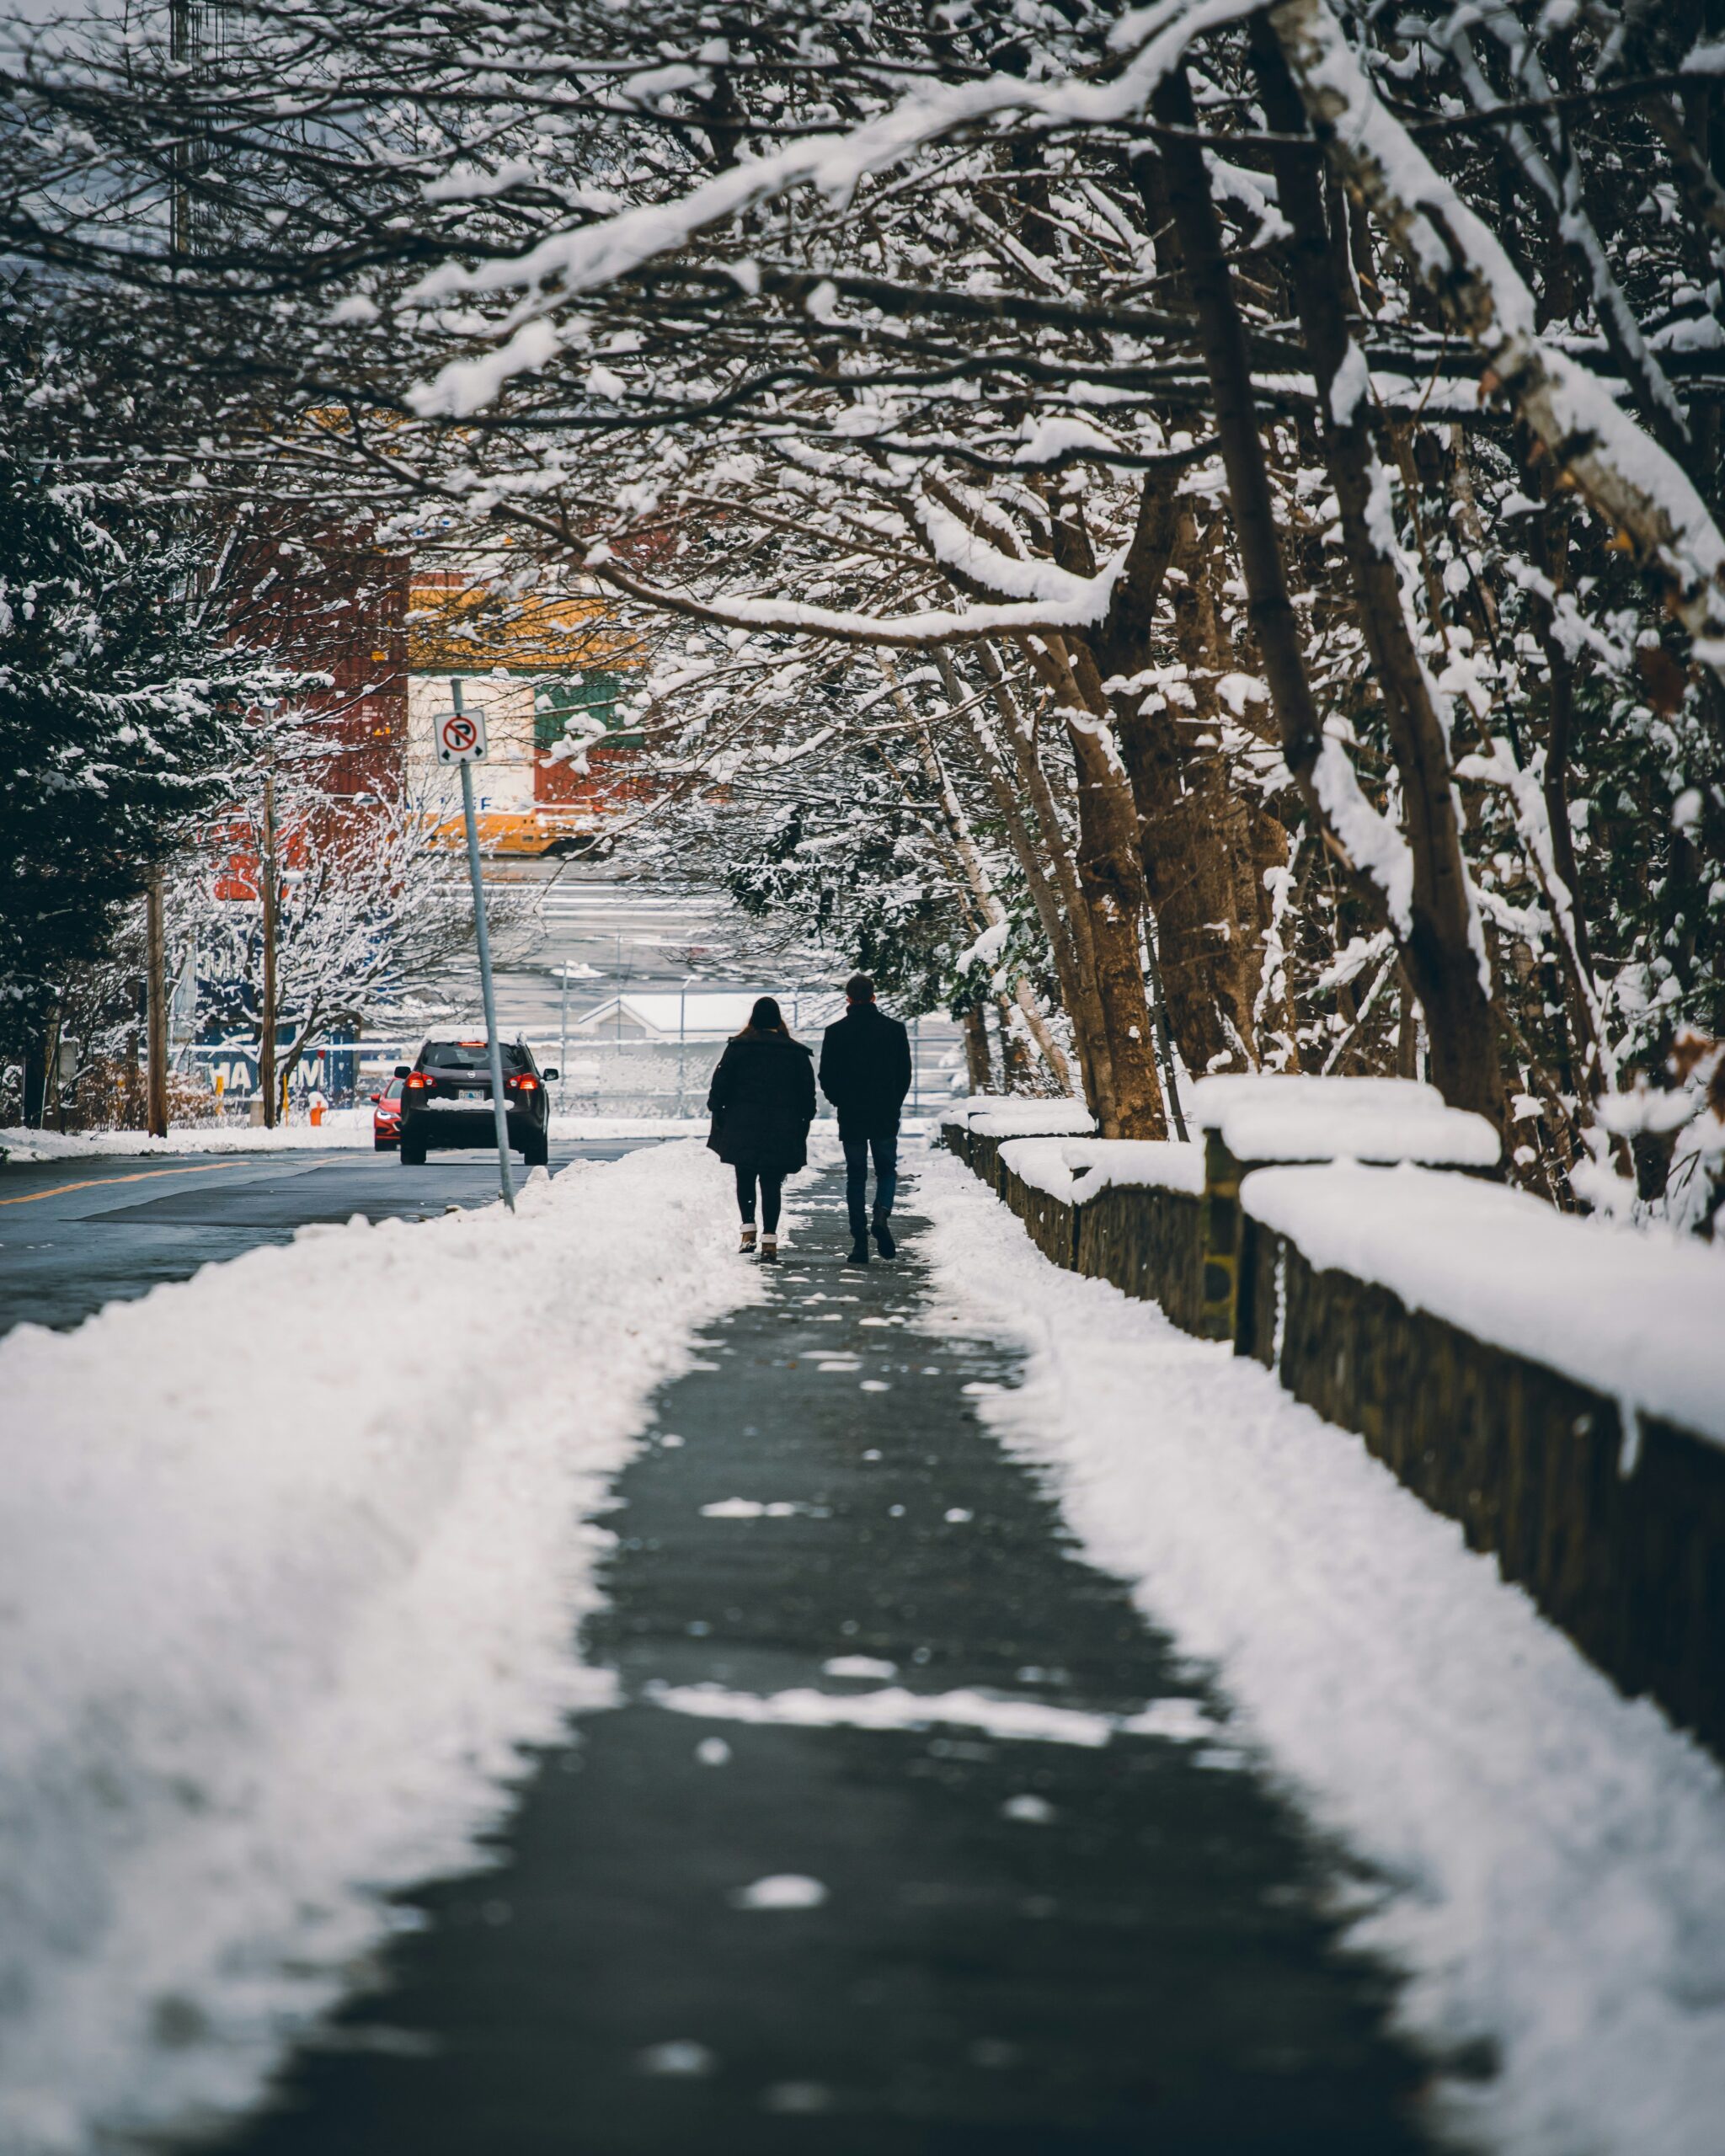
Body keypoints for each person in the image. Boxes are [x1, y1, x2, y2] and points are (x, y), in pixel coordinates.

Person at [705, 995, 815, 1262]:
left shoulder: (738, 1048)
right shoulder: (795, 1053)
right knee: (771, 1183)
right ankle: (769, 1239)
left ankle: (747, 1232)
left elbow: (719, 1087)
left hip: (743, 1125)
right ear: (778, 1020)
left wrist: (719, 1112)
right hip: (781, 1128)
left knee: (745, 1178)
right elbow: (807, 1097)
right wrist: (801, 1123)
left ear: (753, 1019)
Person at [819, 973, 912, 1265]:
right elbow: (904, 1074)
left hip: (852, 1114)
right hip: (884, 1112)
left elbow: (826, 1076)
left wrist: (840, 1101)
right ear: (874, 996)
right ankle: (882, 1213)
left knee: (856, 1175)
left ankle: (859, 1242)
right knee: (886, 1170)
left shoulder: (835, 1032)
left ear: (848, 998)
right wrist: (893, 1102)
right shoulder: (894, 1030)